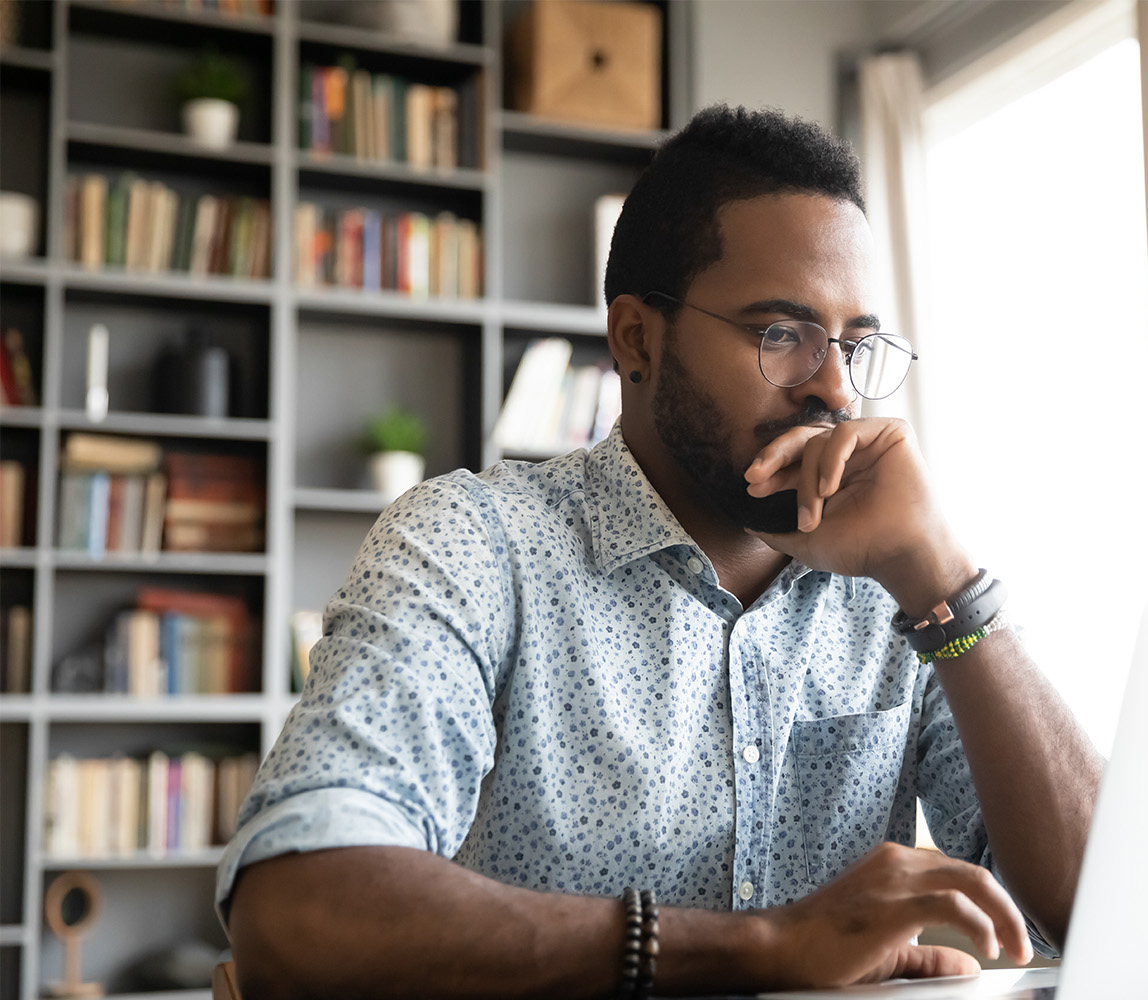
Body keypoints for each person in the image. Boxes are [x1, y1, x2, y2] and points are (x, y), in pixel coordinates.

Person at [220, 105, 1103, 999]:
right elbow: (299, 907)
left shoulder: (898, 585)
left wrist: (945, 582)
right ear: (637, 339)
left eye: (854, 343)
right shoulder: (475, 545)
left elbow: (1107, 907)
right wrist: (758, 948)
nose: (837, 387)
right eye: (781, 335)